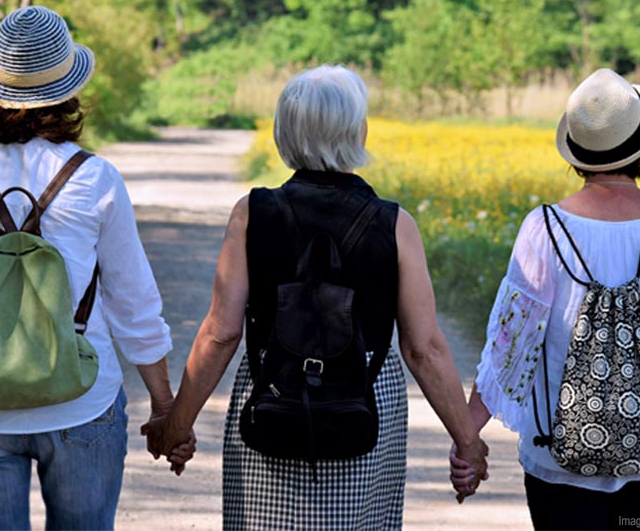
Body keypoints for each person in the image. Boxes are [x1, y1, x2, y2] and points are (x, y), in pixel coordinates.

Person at [144, 65, 489, 530]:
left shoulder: (252, 214)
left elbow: (220, 334)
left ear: (284, 133)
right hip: (365, 397)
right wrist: (467, 443)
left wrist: (178, 423)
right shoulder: (395, 224)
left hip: (273, 390)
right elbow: (423, 348)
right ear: (359, 131)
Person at [0, 6, 192, 530]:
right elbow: (134, 307)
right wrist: (164, 407)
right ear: (67, 91)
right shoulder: (95, 179)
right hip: (81, 402)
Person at [450, 69, 640, 529]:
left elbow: (509, 350)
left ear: (577, 153)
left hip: (557, 460)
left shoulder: (543, 229)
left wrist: (467, 439)